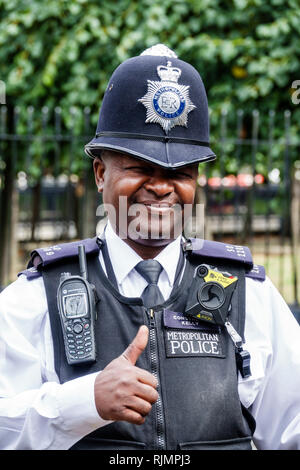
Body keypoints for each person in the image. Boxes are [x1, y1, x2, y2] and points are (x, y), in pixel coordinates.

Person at [0, 44, 300, 451]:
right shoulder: (36, 298)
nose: (161, 187)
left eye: (180, 172)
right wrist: (84, 402)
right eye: (140, 168)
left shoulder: (252, 296)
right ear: (101, 173)